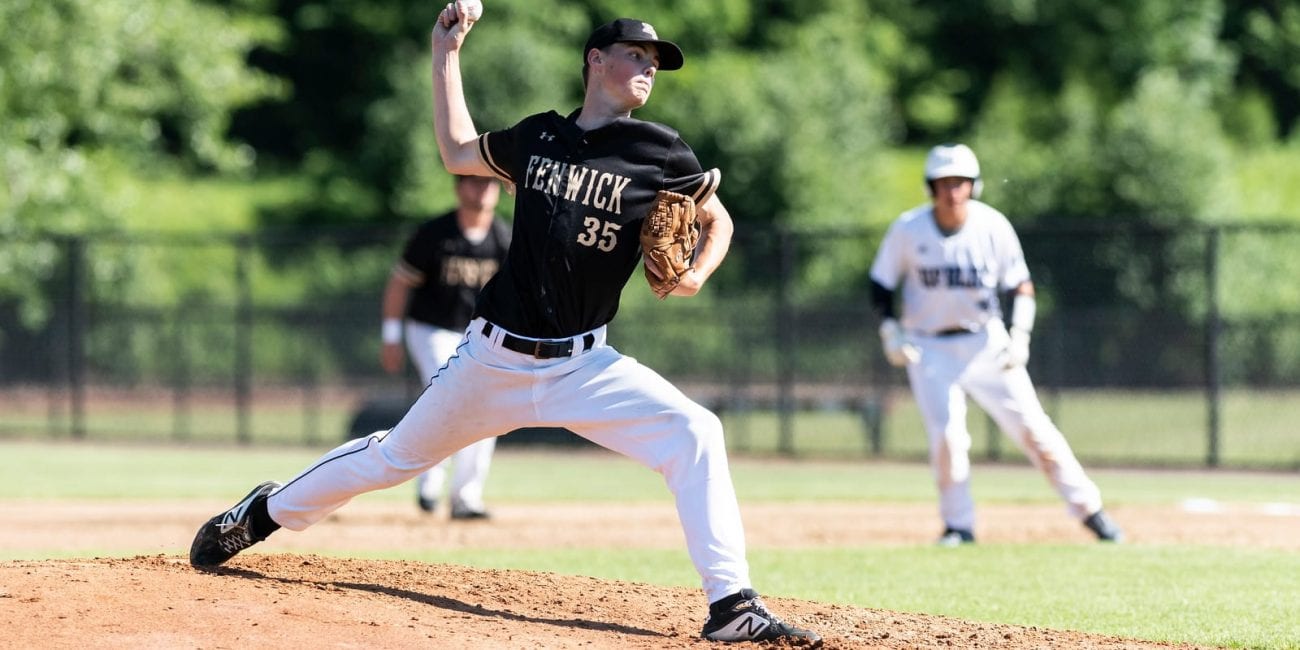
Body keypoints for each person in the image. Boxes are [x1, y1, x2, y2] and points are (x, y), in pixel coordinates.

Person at [189, 10, 822, 647]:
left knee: (696, 431)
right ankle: (262, 512)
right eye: (636, 54)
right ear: (595, 60)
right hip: (492, 359)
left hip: (584, 366)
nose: (649, 67)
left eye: (656, 61)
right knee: (395, 457)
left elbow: (720, 221)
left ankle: (731, 605)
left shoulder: (659, 150)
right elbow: (456, 152)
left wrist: (696, 275)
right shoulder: (538, 137)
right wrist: (447, 51)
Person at [868, 143, 1125, 547]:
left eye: (960, 183)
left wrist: (1020, 334)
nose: (952, 192)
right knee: (948, 439)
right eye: (944, 183)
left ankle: (1091, 511)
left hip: (986, 342)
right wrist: (890, 330)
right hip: (930, 348)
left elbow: (1021, 286)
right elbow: (880, 282)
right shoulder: (908, 229)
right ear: (930, 188)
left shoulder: (992, 226)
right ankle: (959, 525)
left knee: (1036, 431)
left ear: (974, 186)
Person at [380, 173, 510, 519]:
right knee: (448, 390)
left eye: (488, 183)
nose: (481, 189)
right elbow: (399, 283)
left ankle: (466, 497)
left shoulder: (504, 237)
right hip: (431, 329)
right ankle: (429, 479)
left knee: (487, 408)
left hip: (479, 335)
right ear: (458, 188)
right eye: (473, 181)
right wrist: (391, 335)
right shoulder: (435, 234)